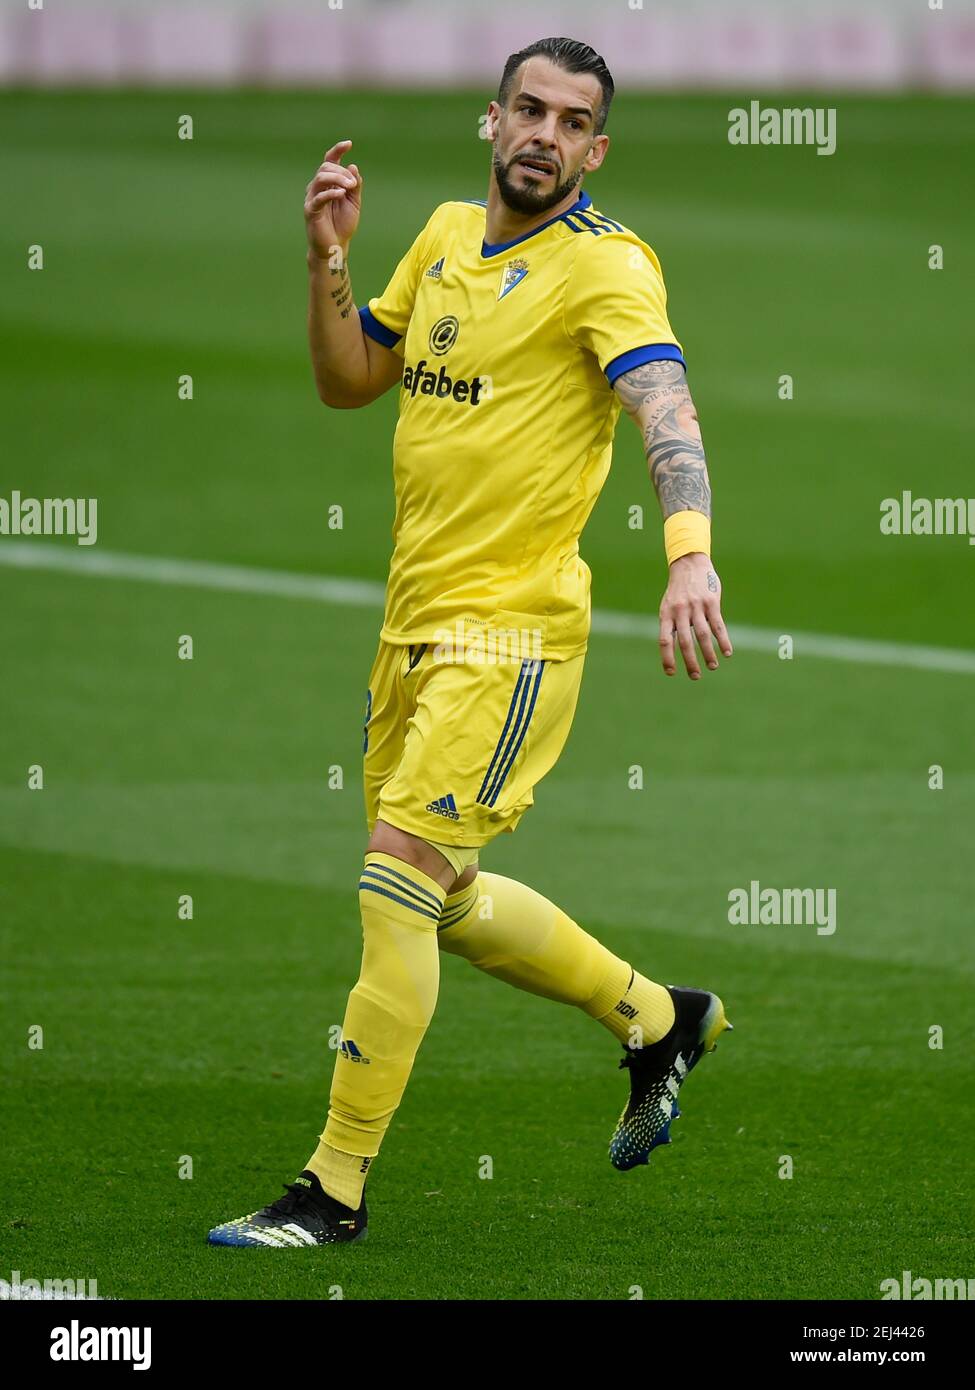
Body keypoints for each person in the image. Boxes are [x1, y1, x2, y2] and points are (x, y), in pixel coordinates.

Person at [209, 36, 733, 1250]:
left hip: (512, 635)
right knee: (435, 900)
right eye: (530, 110)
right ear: (490, 121)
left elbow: (665, 403)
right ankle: (657, 1017)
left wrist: (690, 549)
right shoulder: (444, 234)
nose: (547, 134)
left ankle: (330, 1191)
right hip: (412, 627)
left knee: (393, 874)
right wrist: (326, 263)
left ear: (596, 151)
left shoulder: (606, 269)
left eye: (574, 122)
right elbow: (353, 379)